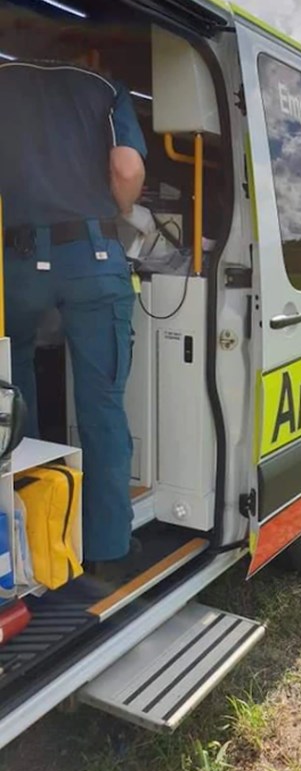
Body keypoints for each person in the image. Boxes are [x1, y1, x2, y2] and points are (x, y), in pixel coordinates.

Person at [0, 41, 146, 573]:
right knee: (101, 407)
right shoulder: (103, 87)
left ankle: (29, 535)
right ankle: (108, 548)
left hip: (14, 261)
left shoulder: (5, 82)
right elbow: (126, 168)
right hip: (93, 254)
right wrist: (122, 209)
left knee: (13, 400)